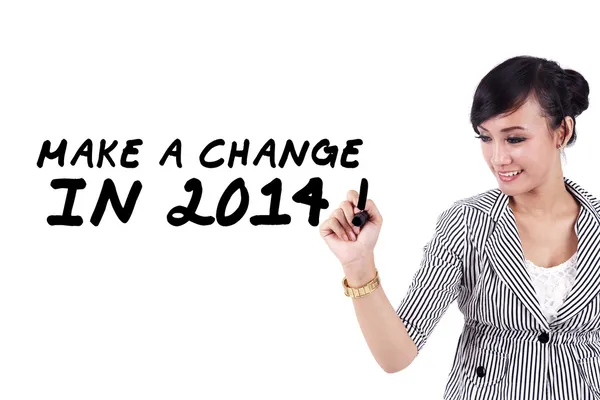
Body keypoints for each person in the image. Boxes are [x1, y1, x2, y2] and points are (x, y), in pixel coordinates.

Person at [319, 55, 599, 399]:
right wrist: (358, 265)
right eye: (485, 138)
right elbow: (397, 355)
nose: (498, 158)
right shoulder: (467, 224)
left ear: (563, 131)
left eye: (514, 139)